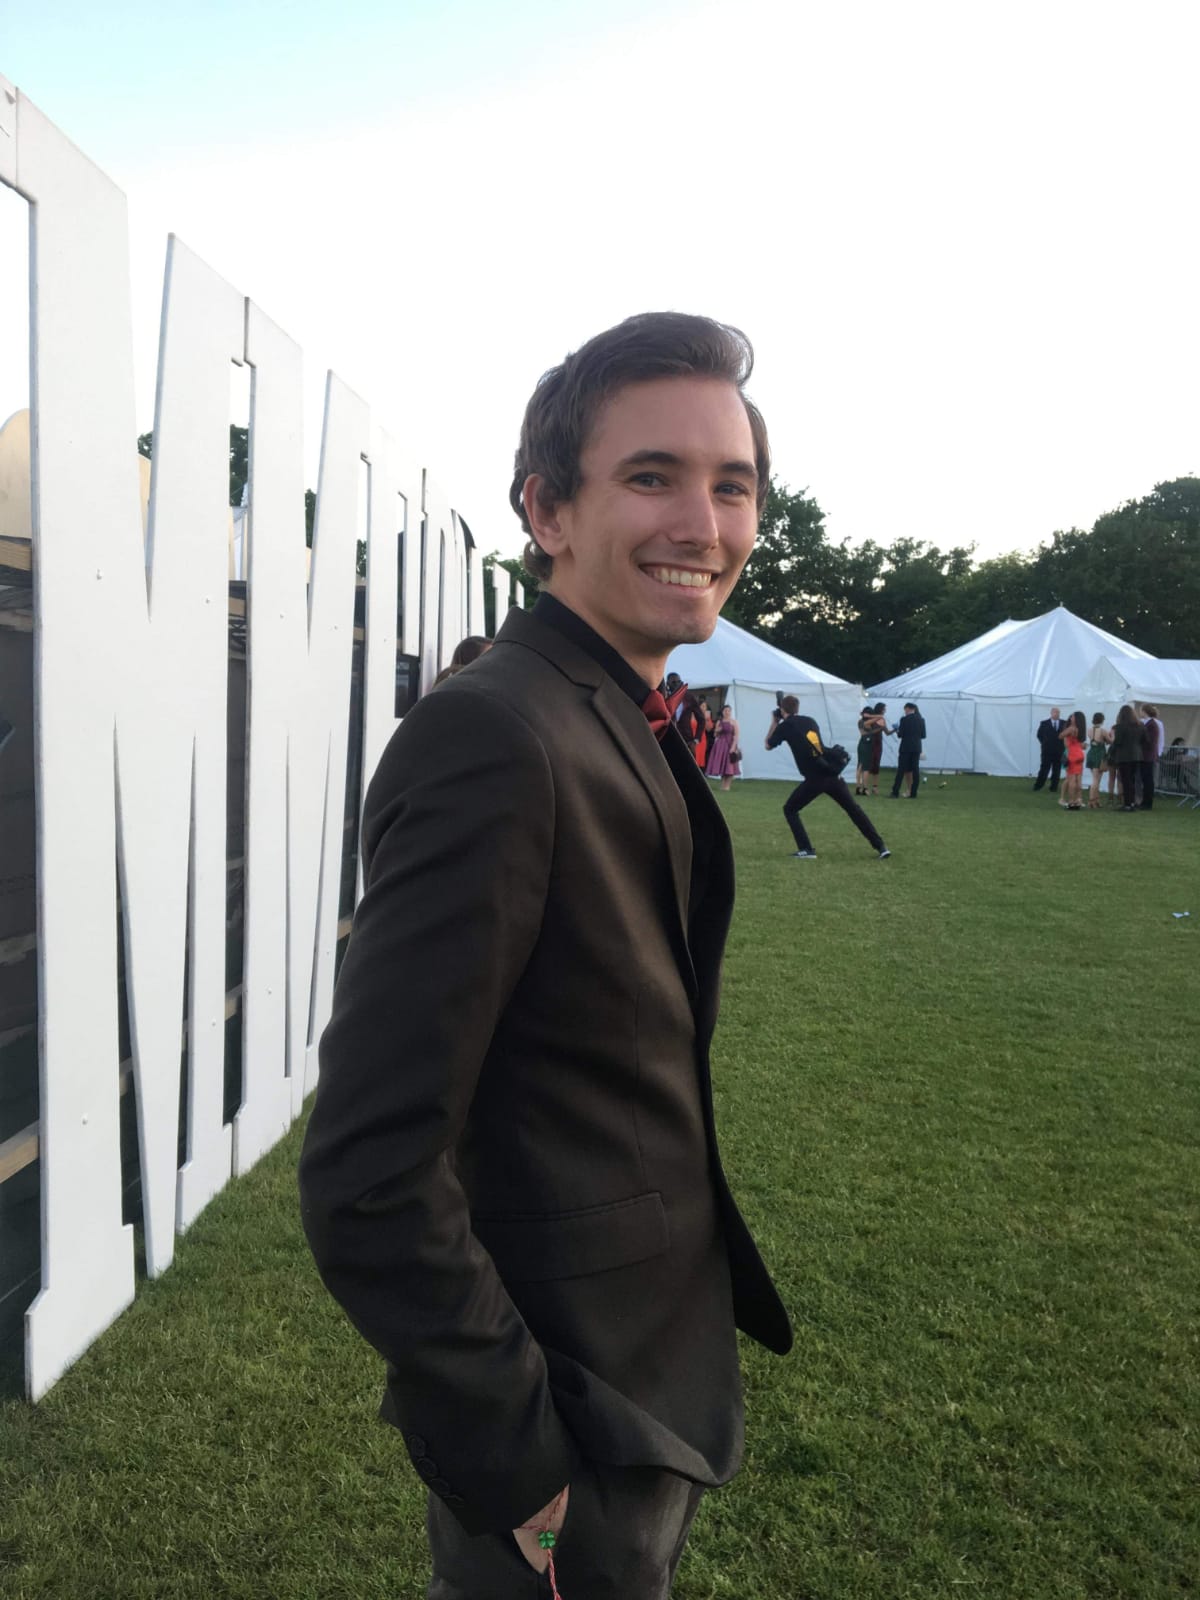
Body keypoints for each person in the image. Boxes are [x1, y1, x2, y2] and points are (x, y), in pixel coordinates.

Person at [299, 311, 792, 1600]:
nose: (704, 522)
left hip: (643, 1373)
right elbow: (367, 1172)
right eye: (653, 476)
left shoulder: (605, 705)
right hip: (569, 1418)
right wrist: (523, 1460)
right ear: (547, 510)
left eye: (732, 484)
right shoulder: (497, 734)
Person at [766, 695, 890, 859]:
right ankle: (880, 846)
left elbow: (768, 745)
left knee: (790, 809)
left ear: (782, 709)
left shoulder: (785, 726)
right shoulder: (810, 721)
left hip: (814, 778)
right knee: (853, 809)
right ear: (797, 708)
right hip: (832, 773)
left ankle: (806, 849)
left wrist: (775, 722)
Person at [1109, 703, 1144, 810]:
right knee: (1132, 780)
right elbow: (1145, 740)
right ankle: (1132, 802)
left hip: (1124, 757)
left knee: (1126, 780)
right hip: (1136, 756)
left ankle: (1127, 804)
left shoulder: (1120, 727)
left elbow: (1117, 742)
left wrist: (1112, 743)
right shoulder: (1140, 726)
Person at [888, 703, 926, 799]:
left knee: (901, 770)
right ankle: (913, 792)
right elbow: (923, 735)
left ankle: (895, 792)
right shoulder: (921, 720)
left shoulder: (904, 719)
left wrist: (897, 729)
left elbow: (900, 734)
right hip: (917, 748)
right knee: (915, 770)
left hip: (905, 747)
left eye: (905, 710)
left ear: (908, 709)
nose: (904, 712)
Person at [706, 703, 742, 791]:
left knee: (730, 766)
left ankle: (727, 786)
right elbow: (715, 735)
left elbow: (736, 736)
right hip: (720, 745)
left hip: (730, 744)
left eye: (729, 711)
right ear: (722, 712)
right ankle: (723, 785)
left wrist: (733, 747)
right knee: (723, 765)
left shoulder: (734, 722)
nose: (727, 712)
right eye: (725, 710)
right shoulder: (719, 722)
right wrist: (717, 730)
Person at [1059, 711, 1087, 809]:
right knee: (1078, 779)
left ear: (1076, 719)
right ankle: (1078, 800)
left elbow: (1061, 735)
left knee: (1071, 780)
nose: (1071, 718)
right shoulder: (1081, 729)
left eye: (1073, 717)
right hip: (1080, 754)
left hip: (1072, 754)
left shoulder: (1071, 728)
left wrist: (1066, 732)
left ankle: (1071, 802)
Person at [1139, 703, 1165, 811]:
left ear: (1144, 711)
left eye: (1141, 710)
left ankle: (1148, 803)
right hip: (1146, 755)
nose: (1140, 712)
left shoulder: (1152, 724)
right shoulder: (1148, 723)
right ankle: (1144, 801)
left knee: (1148, 780)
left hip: (1148, 755)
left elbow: (1150, 741)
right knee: (1145, 779)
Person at [1033, 708, 1065, 792]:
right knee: (1044, 768)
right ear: (1051, 713)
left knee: (1057, 769)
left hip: (1059, 751)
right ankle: (1038, 785)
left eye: (1058, 712)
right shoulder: (1044, 723)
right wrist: (1044, 743)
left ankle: (1054, 787)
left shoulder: (1064, 723)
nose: (1057, 714)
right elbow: (1039, 735)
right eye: (1055, 712)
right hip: (1047, 751)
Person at [1085, 711, 1112, 809]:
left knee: (1096, 779)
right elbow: (1110, 741)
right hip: (1099, 755)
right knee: (1096, 780)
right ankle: (1091, 801)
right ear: (1102, 720)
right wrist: (1111, 735)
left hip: (1091, 754)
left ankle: (1096, 800)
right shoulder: (1103, 731)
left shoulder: (1089, 730)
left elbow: (1094, 741)